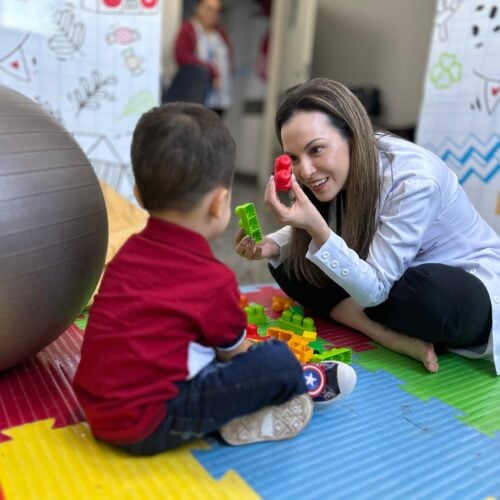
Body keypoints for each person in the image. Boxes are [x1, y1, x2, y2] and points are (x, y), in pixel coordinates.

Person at [73, 102, 356, 456]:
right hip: (147, 424)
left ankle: (238, 410)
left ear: (140, 196)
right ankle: (302, 382)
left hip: (95, 408)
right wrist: (270, 359)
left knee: (197, 347)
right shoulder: (213, 279)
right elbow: (234, 355)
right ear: (220, 203)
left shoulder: (125, 254)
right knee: (275, 360)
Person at [236, 77, 500, 375]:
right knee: (287, 260)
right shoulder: (341, 167)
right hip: (383, 279)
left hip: (457, 283)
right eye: (294, 158)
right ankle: (381, 331)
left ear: (352, 135)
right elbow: (328, 232)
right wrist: (271, 244)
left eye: (317, 150)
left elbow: (374, 290)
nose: (306, 171)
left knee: (427, 295)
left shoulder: (414, 180)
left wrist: (316, 229)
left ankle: (377, 320)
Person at [174, 0, 232, 116]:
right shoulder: (188, 29)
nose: (212, 14)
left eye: (216, 11)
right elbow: (182, 56)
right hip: (197, 97)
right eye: (208, 9)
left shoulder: (220, 33)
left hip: (219, 98)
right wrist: (211, 70)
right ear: (197, 8)